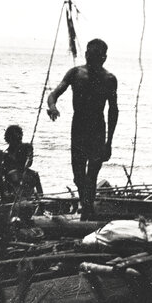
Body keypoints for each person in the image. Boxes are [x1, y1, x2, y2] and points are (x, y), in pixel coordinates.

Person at [47, 38, 118, 219]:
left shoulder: (109, 79)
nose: (90, 58)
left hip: (97, 128)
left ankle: (87, 209)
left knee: (92, 173)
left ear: (103, 58)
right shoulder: (75, 73)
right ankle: (86, 204)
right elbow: (53, 94)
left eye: (95, 55)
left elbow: (113, 110)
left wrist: (109, 142)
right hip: (78, 126)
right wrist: (53, 106)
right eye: (88, 54)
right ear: (86, 54)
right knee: (78, 175)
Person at [0, 125, 42, 202]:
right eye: (14, 138)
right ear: (9, 139)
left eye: (18, 138)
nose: (17, 141)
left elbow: (29, 161)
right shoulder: (6, 153)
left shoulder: (26, 147)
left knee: (35, 175)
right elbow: (3, 172)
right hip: (12, 179)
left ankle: (38, 198)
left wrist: (28, 159)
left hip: (24, 173)